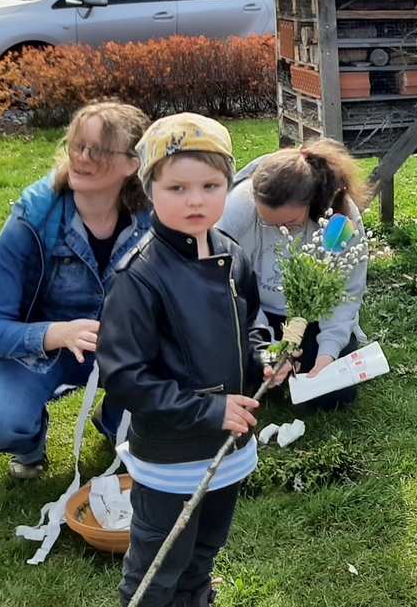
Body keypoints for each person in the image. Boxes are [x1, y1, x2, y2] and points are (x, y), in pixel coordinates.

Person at [96, 113, 281, 607]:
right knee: (159, 565)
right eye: (177, 188)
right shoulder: (138, 277)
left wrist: (264, 359)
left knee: (205, 549)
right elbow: (125, 376)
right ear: (149, 190)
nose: (195, 200)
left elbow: (252, 323)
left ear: (229, 186)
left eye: (210, 186)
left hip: (228, 448)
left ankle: (196, 598)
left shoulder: (231, 254)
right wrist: (208, 410)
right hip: (172, 458)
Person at [0, 101, 152, 480]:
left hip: (127, 352)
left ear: (133, 163)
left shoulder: (155, 216)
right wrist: (57, 333)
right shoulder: (33, 217)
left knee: (182, 393)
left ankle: (117, 420)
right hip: (39, 350)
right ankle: (30, 447)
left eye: (98, 150)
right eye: (77, 145)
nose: (82, 157)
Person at [217, 138, 369, 411]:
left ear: (312, 205)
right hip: (254, 315)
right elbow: (227, 286)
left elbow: (346, 292)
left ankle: (300, 366)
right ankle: (274, 371)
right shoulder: (237, 207)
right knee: (237, 378)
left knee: (333, 395)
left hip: (314, 316)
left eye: (290, 224)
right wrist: (265, 347)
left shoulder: (340, 219)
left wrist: (327, 353)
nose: (280, 232)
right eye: (268, 223)